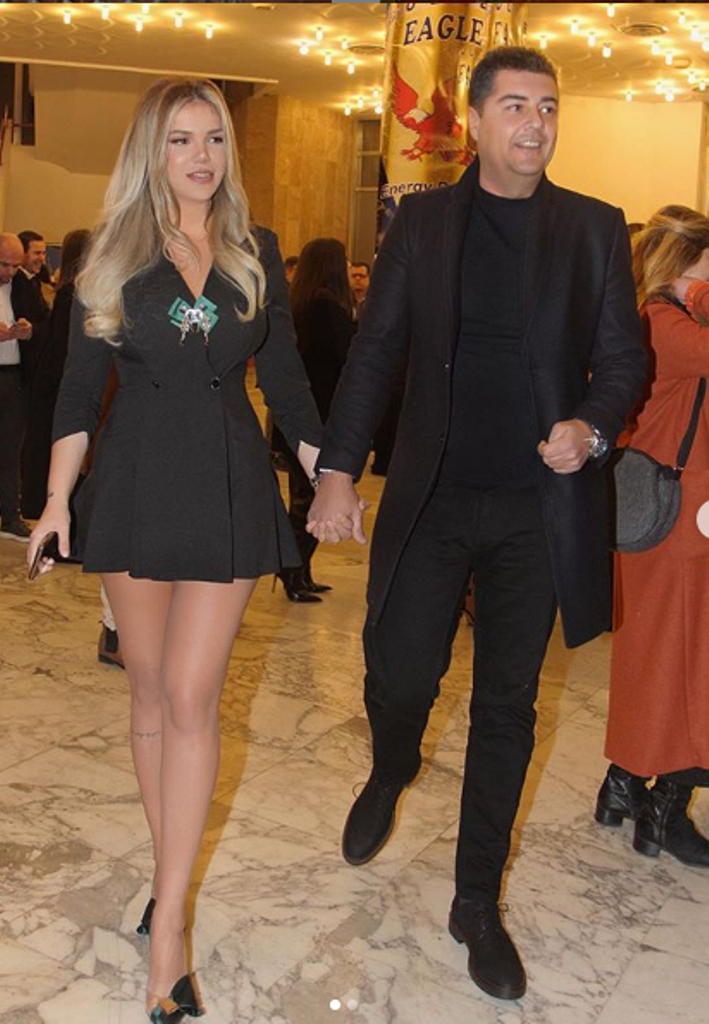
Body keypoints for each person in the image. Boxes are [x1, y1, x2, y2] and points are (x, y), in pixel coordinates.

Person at [307, 46, 646, 1002]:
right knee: (399, 670)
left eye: (548, 107)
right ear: (477, 118)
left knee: (507, 705)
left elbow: (624, 359)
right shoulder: (422, 222)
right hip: (434, 495)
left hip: (536, 509)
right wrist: (336, 473)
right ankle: (392, 765)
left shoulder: (591, 228)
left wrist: (591, 426)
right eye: (516, 106)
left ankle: (474, 903)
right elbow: (376, 353)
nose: (535, 124)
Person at [28, 77, 321, 1023]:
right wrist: (55, 501)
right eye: (181, 140)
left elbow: (287, 383)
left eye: (215, 138)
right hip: (136, 481)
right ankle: (168, 881)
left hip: (230, 482)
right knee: (150, 692)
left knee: (193, 697)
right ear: (150, 152)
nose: (202, 157)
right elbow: (78, 394)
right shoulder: (110, 253)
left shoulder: (254, 251)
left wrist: (330, 473)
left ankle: (171, 926)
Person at [596, 206, 709, 868]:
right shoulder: (664, 323)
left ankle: (623, 785)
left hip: (674, 516)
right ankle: (664, 808)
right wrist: (693, 291)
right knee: (680, 664)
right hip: (676, 519)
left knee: (662, 659)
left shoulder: (664, 319)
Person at [273, 237, 355, 601]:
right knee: (310, 498)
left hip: (296, 416)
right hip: (318, 417)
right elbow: (348, 356)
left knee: (302, 496)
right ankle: (293, 570)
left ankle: (299, 571)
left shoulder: (298, 304)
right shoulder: (327, 307)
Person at [22, 229, 90, 519]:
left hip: (54, 377)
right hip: (55, 380)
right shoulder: (71, 294)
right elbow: (62, 345)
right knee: (45, 443)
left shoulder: (70, 291)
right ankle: (38, 503)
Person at [0, 232, 39, 541]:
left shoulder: (24, 286)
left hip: (14, 377)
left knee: (12, 449)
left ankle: (11, 515)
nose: (9, 272)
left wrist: (29, 330)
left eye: (15, 266)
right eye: (3, 265)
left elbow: (44, 321)